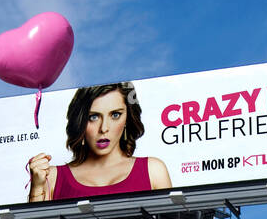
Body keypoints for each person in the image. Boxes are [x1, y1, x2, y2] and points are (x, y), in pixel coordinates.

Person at [27, 82, 171, 203]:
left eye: (115, 115)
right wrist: (37, 188)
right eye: (93, 117)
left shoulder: (153, 171)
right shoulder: (52, 177)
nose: (104, 128)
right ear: (80, 121)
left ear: (127, 118)